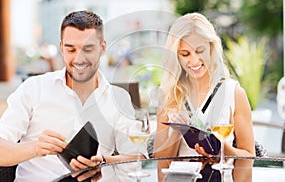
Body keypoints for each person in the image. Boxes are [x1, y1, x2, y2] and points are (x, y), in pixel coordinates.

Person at [0, 10, 147, 181]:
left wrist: (105, 162)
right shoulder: (33, 88)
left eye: (88, 49)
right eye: (71, 49)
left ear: (102, 48)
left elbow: (137, 157)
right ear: (62, 48)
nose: (79, 59)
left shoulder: (119, 98)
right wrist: (35, 148)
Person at [153, 13, 255, 181]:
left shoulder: (233, 93)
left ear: (211, 47)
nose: (194, 60)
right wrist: (179, 131)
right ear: (176, 56)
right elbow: (161, 163)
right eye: (185, 54)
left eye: (200, 51)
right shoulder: (168, 95)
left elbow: (248, 158)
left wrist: (221, 148)